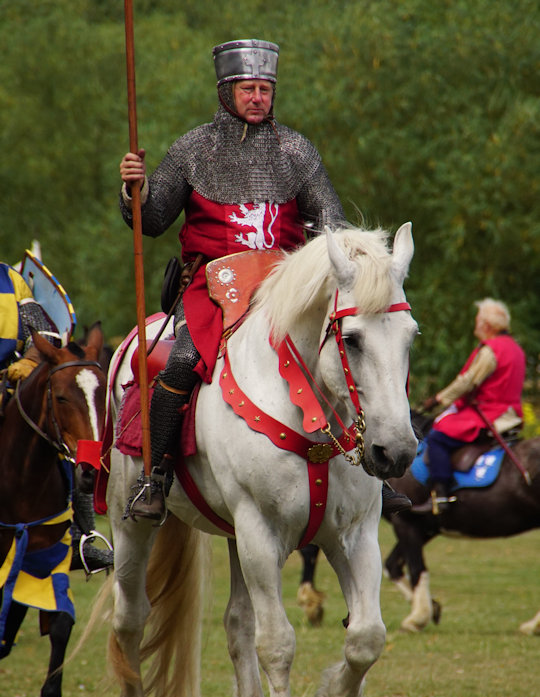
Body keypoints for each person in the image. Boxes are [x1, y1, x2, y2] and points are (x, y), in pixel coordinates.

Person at [119, 38, 411, 521]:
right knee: (183, 359)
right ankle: (156, 477)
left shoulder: (296, 152)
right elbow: (151, 221)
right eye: (248, 88)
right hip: (213, 286)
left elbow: (331, 226)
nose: (257, 97)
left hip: (286, 287)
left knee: (366, 347)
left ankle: (377, 475)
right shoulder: (193, 149)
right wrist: (136, 189)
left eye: (265, 89)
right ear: (227, 91)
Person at [0, 260, 112, 572]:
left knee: (57, 439)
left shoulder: (10, 278)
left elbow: (42, 331)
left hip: (12, 382)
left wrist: (31, 360)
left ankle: (81, 537)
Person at [420, 298, 526, 514]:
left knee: (437, 437)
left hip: (490, 414)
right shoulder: (516, 349)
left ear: (487, 325)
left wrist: (439, 399)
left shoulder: (491, 350)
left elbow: (468, 382)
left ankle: (441, 493)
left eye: (478, 320)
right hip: (511, 414)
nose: (476, 324)